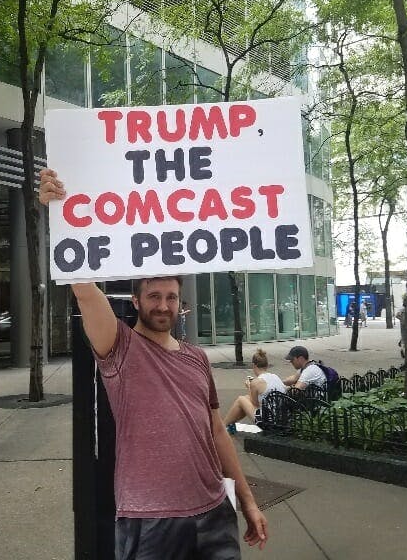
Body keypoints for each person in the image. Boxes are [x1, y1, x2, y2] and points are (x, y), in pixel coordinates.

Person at [39, 168, 267, 557]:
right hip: (149, 518)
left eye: (171, 297)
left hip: (214, 511)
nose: (163, 304)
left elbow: (217, 432)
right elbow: (83, 288)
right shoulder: (119, 347)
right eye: (154, 295)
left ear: (181, 303)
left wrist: (247, 500)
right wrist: (56, 215)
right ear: (136, 301)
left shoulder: (196, 357)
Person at [223, 349, 286, 432]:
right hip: (280, 417)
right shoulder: (276, 377)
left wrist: (249, 386)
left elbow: (254, 404)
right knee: (245, 398)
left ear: (253, 365)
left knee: (241, 399)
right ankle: (230, 424)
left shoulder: (256, 382)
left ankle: (222, 426)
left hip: (268, 421)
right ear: (266, 365)